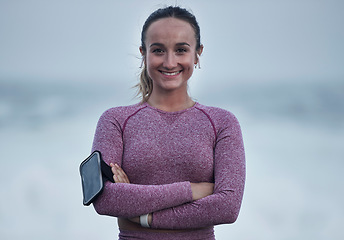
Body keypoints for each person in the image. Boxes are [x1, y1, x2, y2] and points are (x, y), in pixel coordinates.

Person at [91, 6, 245, 240]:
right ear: (144, 54)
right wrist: (193, 189)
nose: (170, 62)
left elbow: (227, 207)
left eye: (181, 50)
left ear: (197, 54)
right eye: (159, 50)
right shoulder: (115, 121)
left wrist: (144, 216)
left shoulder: (222, 123)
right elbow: (104, 199)